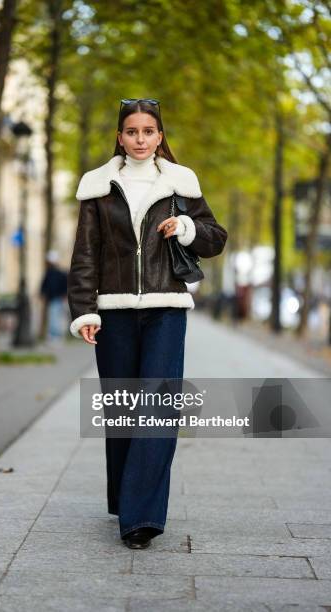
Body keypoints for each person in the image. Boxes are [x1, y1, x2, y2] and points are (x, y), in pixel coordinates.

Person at [67, 98, 228, 550]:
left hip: (166, 307)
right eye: (132, 131)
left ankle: (141, 517)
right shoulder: (98, 187)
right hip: (112, 311)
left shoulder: (181, 183)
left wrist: (186, 228)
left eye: (148, 131)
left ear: (160, 136)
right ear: (120, 136)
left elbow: (215, 237)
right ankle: (125, 497)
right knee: (122, 408)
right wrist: (84, 310)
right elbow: (85, 254)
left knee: (156, 406)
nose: (140, 139)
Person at [40, 250, 68, 340]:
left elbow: (64, 285)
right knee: (54, 317)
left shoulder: (58, 273)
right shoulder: (50, 273)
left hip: (57, 298)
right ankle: (54, 335)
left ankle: (56, 336)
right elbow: (44, 285)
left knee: (55, 317)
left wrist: (64, 295)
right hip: (52, 298)